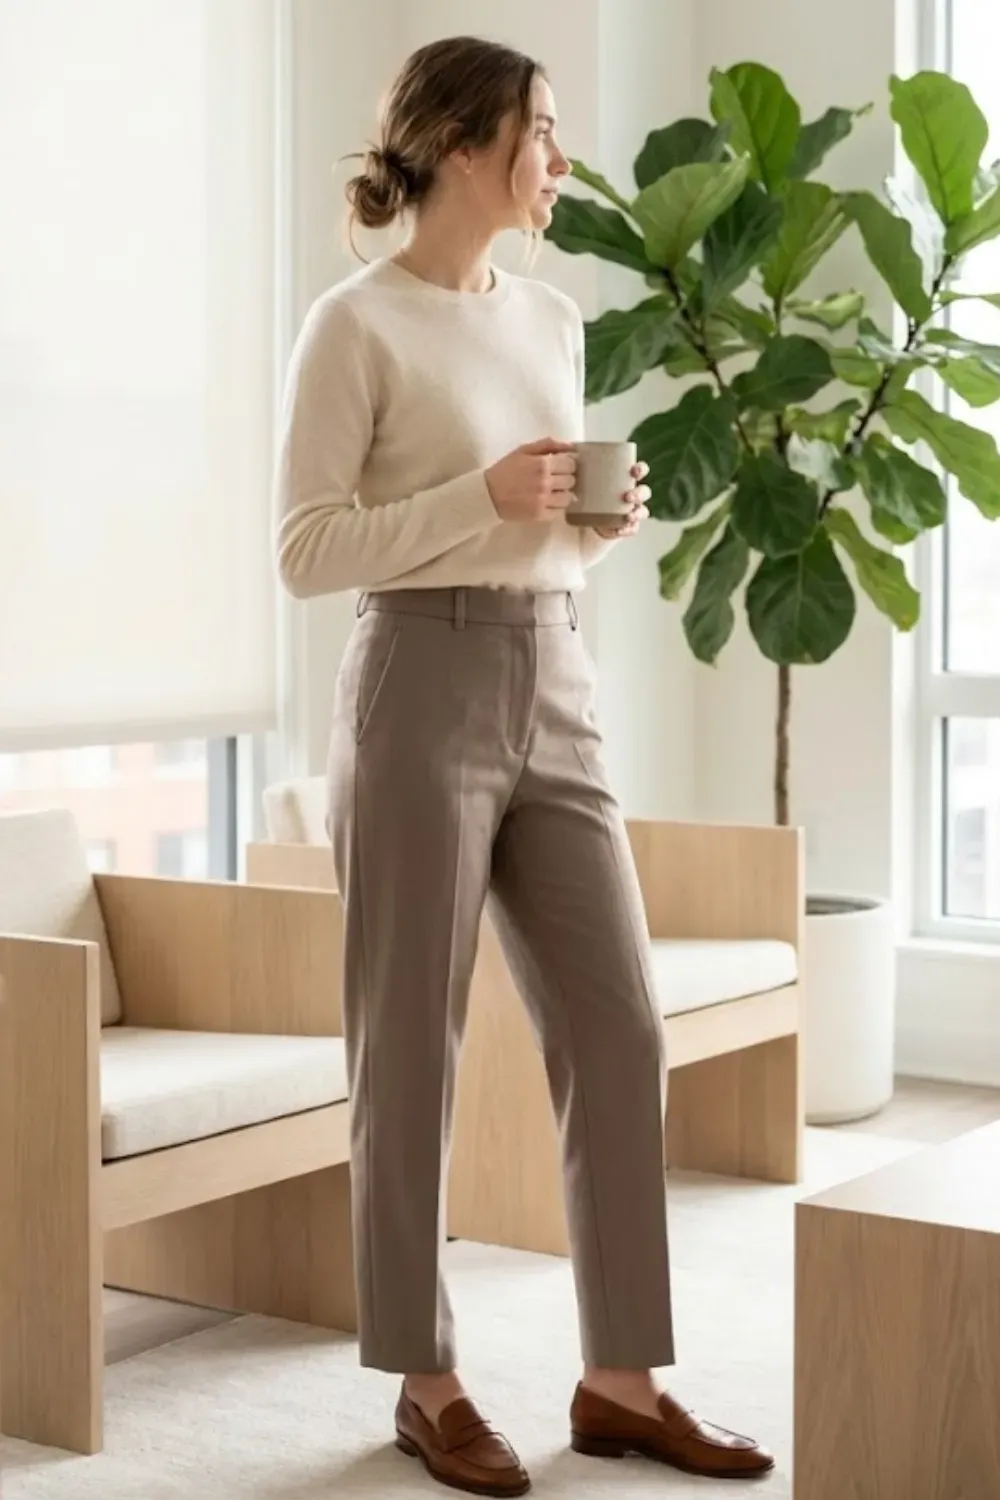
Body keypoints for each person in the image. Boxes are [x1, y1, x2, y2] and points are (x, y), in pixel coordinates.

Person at [273, 34, 773, 1496]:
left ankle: (621, 1380)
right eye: (541, 130)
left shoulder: (553, 321)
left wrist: (581, 531)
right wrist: (478, 498)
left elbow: (532, 529)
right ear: (462, 142)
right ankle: (425, 1379)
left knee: (620, 1026)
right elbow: (306, 551)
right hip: (413, 682)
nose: (560, 158)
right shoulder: (353, 326)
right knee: (409, 1046)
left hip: (555, 673)